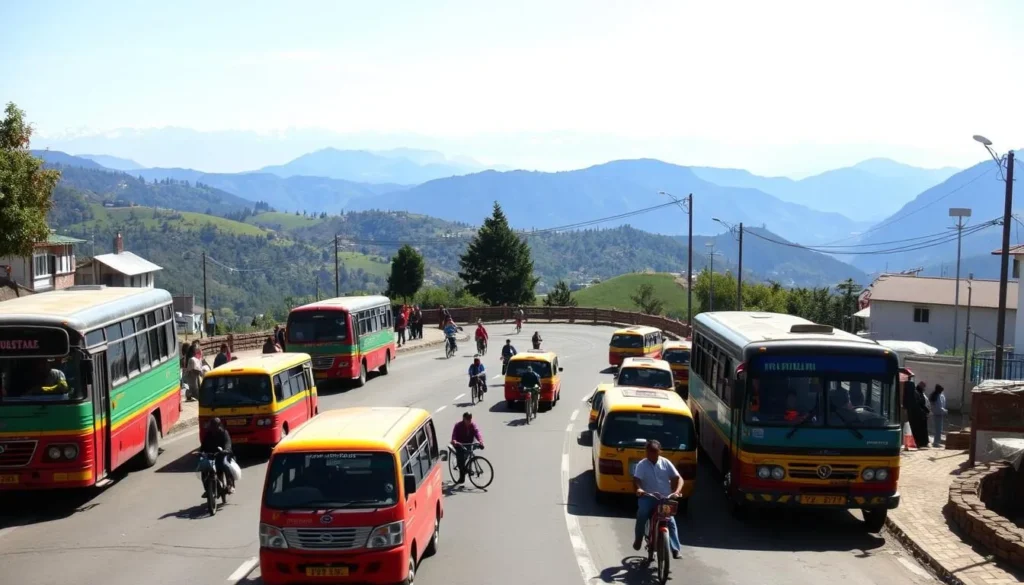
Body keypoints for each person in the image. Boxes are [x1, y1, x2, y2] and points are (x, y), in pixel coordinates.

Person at [632, 439, 683, 559]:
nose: (651, 454)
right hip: (648, 497)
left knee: (670, 521)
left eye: (654, 452)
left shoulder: (665, 463)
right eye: (649, 452)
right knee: (642, 514)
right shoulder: (642, 465)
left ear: (659, 452)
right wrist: (639, 489)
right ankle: (638, 538)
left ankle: (675, 549)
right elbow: (636, 480)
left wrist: (677, 491)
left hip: (664, 499)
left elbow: (679, 478)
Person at [200, 417, 235, 494]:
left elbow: (228, 443)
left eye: (214, 426)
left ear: (219, 426)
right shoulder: (208, 434)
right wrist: (200, 453)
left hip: (223, 455)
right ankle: (207, 489)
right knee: (204, 469)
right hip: (211, 456)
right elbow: (203, 446)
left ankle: (230, 485)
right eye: (212, 426)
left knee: (225, 464)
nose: (213, 428)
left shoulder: (224, 433)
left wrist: (226, 450)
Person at [450, 412, 484, 485]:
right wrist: (455, 441)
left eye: (470, 419)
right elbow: (454, 435)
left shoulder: (473, 425)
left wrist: (480, 441)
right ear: (464, 419)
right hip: (460, 445)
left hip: (469, 444)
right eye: (467, 419)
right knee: (460, 463)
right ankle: (462, 477)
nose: (469, 421)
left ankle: (465, 471)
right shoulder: (458, 425)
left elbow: (477, 433)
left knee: (466, 458)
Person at [908, 381, 930, 449]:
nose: (924, 389)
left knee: (923, 429)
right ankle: (919, 443)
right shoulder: (916, 393)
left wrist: (927, 410)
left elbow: (922, 404)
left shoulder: (920, 393)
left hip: (921, 415)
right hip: (916, 416)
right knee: (917, 430)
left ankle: (923, 443)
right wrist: (923, 412)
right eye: (923, 387)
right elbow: (917, 405)